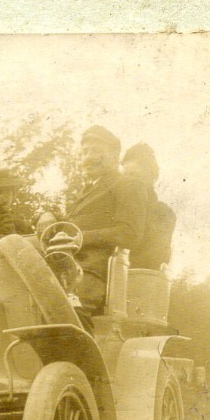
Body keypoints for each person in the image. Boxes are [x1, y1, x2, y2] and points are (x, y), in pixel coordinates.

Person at [65, 126, 147, 306]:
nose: (88, 158)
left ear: (115, 156)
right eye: (85, 152)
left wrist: (80, 238)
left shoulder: (128, 185)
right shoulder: (88, 190)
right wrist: (45, 215)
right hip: (66, 268)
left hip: (92, 274)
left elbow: (128, 233)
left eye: (96, 151)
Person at [120, 143, 175, 270]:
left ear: (152, 176)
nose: (129, 183)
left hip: (140, 280)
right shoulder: (114, 207)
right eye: (125, 176)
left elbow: (155, 257)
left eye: (134, 176)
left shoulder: (164, 213)